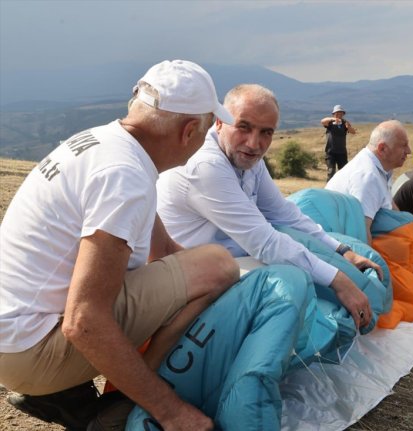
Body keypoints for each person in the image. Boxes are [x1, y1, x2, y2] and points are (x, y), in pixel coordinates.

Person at [0, 60, 240, 431]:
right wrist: (172, 412)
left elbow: (166, 253)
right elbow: (84, 321)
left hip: (16, 338)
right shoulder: (123, 177)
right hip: (29, 352)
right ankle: (118, 407)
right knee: (218, 264)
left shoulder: (111, 147)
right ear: (189, 130)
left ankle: (66, 396)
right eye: (208, 129)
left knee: (204, 267)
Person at [156, 84, 380, 329]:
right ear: (219, 122)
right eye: (244, 127)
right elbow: (265, 242)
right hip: (192, 278)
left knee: (302, 250)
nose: (254, 143)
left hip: (231, 260)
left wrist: (341, 251)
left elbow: (284, 214)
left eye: (266, 132)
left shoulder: (245, 157)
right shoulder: (206, 166)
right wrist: (339, 281)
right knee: (293, 282)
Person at [325, 120, 411, 244]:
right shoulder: (368, 177)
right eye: (403, 145)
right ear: (382, 149)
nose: (409, 151)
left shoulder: (381, 168)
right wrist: (376, 263)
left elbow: (392, 208)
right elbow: (361, 234)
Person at [321, 104, 356, 181]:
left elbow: (353, 132)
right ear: (333, 114)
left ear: (343, 114)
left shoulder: (345, 123)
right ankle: (328, 189)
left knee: (344, 172)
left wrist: (348, 127)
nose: (339, 114)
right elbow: (322, 121)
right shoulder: (330, 123)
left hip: (342, 152)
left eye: (340, 113)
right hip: (330, 152)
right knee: (331, 171)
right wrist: (333, 119)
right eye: (337, 113)